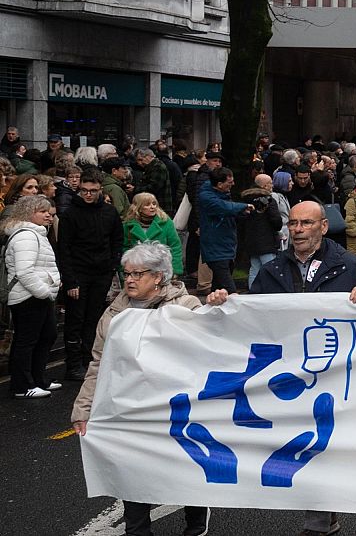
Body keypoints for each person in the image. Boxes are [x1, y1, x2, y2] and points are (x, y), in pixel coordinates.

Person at [205, 202, 356, 536]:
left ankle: (318, 521)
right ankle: (325, 516)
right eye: (293, 223)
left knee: (323, 443)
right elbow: (252, 315)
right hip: (288, 379)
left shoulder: (349, 266)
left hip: (336, 375)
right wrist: (224, 305)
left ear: (323, 227)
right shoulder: (273, 270)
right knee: (298, 443)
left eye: (306, 223)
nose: (297, 229)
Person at [70, 242, 211, 536]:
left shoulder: (186, 307)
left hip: (174, 409)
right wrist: (82, 409)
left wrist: (220, 306)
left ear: (158, 276)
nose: (129, 280)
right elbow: (99, 363)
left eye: (137, 274)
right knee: (132, 471)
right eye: (126, 274)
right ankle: (137, 531)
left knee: (184, 469)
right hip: (130, 409)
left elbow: (211, 346)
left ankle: (196, 522)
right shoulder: (114, 312)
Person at [57, 176, 124, 381]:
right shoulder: (70, 214)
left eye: (92, 190)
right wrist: (70, 280)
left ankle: (89, 360)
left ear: (100, 190)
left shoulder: (109, 212)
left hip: (101, 273)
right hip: (78, 273)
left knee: (94, 319)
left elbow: (117, 240)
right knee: (75, 319)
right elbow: (64, 249)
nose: (88, 194)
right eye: (84, 190)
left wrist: (112, 265)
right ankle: (73, 364)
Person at [5, 195, 62, 397]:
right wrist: (44, 292)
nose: (48, 215)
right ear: (29, 213)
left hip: (36, 296)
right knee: (27, 341)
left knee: (46, 336)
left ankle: (38, 380)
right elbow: (24, 271)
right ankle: (22, 386)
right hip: (28, 297)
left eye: (48, 211)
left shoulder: (35, 234)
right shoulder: (25, 236)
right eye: (42, 211)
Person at [196, 167, 252, 295]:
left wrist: (243, 213)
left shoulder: (222, 194)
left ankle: (212, 312)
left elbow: (228, 212)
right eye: (229, 182)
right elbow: (223, 207)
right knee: (230, 290)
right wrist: (243, 206)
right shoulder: (206, 197)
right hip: (215, 247)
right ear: (219, 184)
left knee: (219, 288)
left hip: (227, 245)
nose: (233, 184)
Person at [123, 191, 183, 280]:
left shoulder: (166, 222)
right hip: (137, 271)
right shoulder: (128, 225)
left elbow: (175, 246)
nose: (152, 207)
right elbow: (124, 248)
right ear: (138, 207)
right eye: (147, 204)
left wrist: (175, 270)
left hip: (161, 269)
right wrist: (124, 270)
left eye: (154, 204)